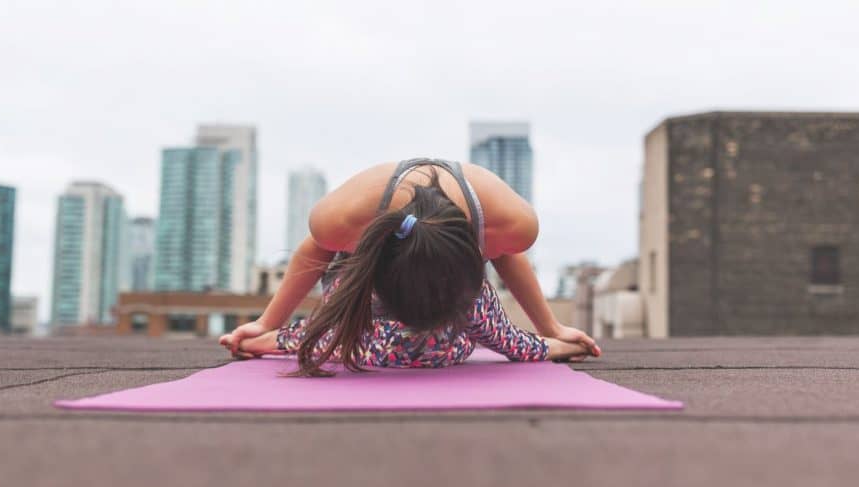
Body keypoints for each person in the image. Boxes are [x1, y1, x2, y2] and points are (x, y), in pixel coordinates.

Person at [220, 158, 601, 376]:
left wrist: (551, 334)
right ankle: (293, 337)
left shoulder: (510, 221)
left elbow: (507, 258)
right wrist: (267, 323)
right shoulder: (341, 218)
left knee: (429, 348)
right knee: (400, 346)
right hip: (360, 282)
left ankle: (296, 339)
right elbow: (313, 253)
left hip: (455, 290)